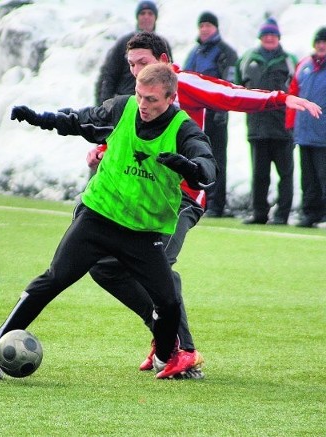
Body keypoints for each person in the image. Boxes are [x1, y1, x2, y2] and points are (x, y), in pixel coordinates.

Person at [66, 32, 321, 379]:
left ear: (163, 59)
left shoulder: (182, 82)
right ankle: (164, 337)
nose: (136, 70)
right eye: (131, 64)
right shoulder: (141, 96)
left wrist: (280, 99)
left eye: (143, 62)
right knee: (106, 268)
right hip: (144, 198)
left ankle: (183, 351)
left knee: (155, 268)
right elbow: (136, 140)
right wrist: (105, 151)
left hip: (182, 197)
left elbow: (230, 94)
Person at [0, 62, 218, 381]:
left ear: (171, 97)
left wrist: (189, 167)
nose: (144, 105)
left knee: (168, 303)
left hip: (142, 231)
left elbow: (207, 167)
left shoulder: (184, 129)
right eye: (140, 96)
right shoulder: (123, 108)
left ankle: (166, 357)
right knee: (52, 280)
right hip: (98, 218)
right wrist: (39, 118)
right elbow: (80, 120)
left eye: (152, 100)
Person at [236, 18, 297, 225]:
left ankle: (282, 214)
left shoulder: (289, 60)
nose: (269, 38)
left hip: (283, 127)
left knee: (285, 175)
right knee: (259, 175)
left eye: (273, 35)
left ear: (278, 37)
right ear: (260, 37)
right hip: (257, 127)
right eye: (266, 35)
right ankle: (259, 213)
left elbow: (298, 90)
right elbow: (237, 88)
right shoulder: (246, 60)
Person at [184, 12, 238, 217]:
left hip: (215, 113)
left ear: (215, 28)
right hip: (196, 115)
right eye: (202, 26)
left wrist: (222, 110)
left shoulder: (225, 52)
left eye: (208, 25)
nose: (205, 29)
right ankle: (199, 198)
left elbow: (229, 83)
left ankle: (216, 202)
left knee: (216, 158)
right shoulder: (194, 52)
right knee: (196, 155)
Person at [94, 0, 172, 105]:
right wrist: (103, 107)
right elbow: (108, 76)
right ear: (137, 17)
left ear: (155, 18)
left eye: (150, 13)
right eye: (142, 13)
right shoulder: (124, 43)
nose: (146, 17)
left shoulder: (162, 44)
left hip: (153, 104)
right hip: (124, 103)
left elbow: (170, 76)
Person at [286, 27, 326, 228]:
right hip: (305, 133)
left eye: (324, 42)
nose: (321, 45)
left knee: (323, 176)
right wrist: (291, 124)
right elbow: (294, 94)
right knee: (308, 178)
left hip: (323, 133)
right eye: (318, 42)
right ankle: (310, 213)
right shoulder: (304, 65)